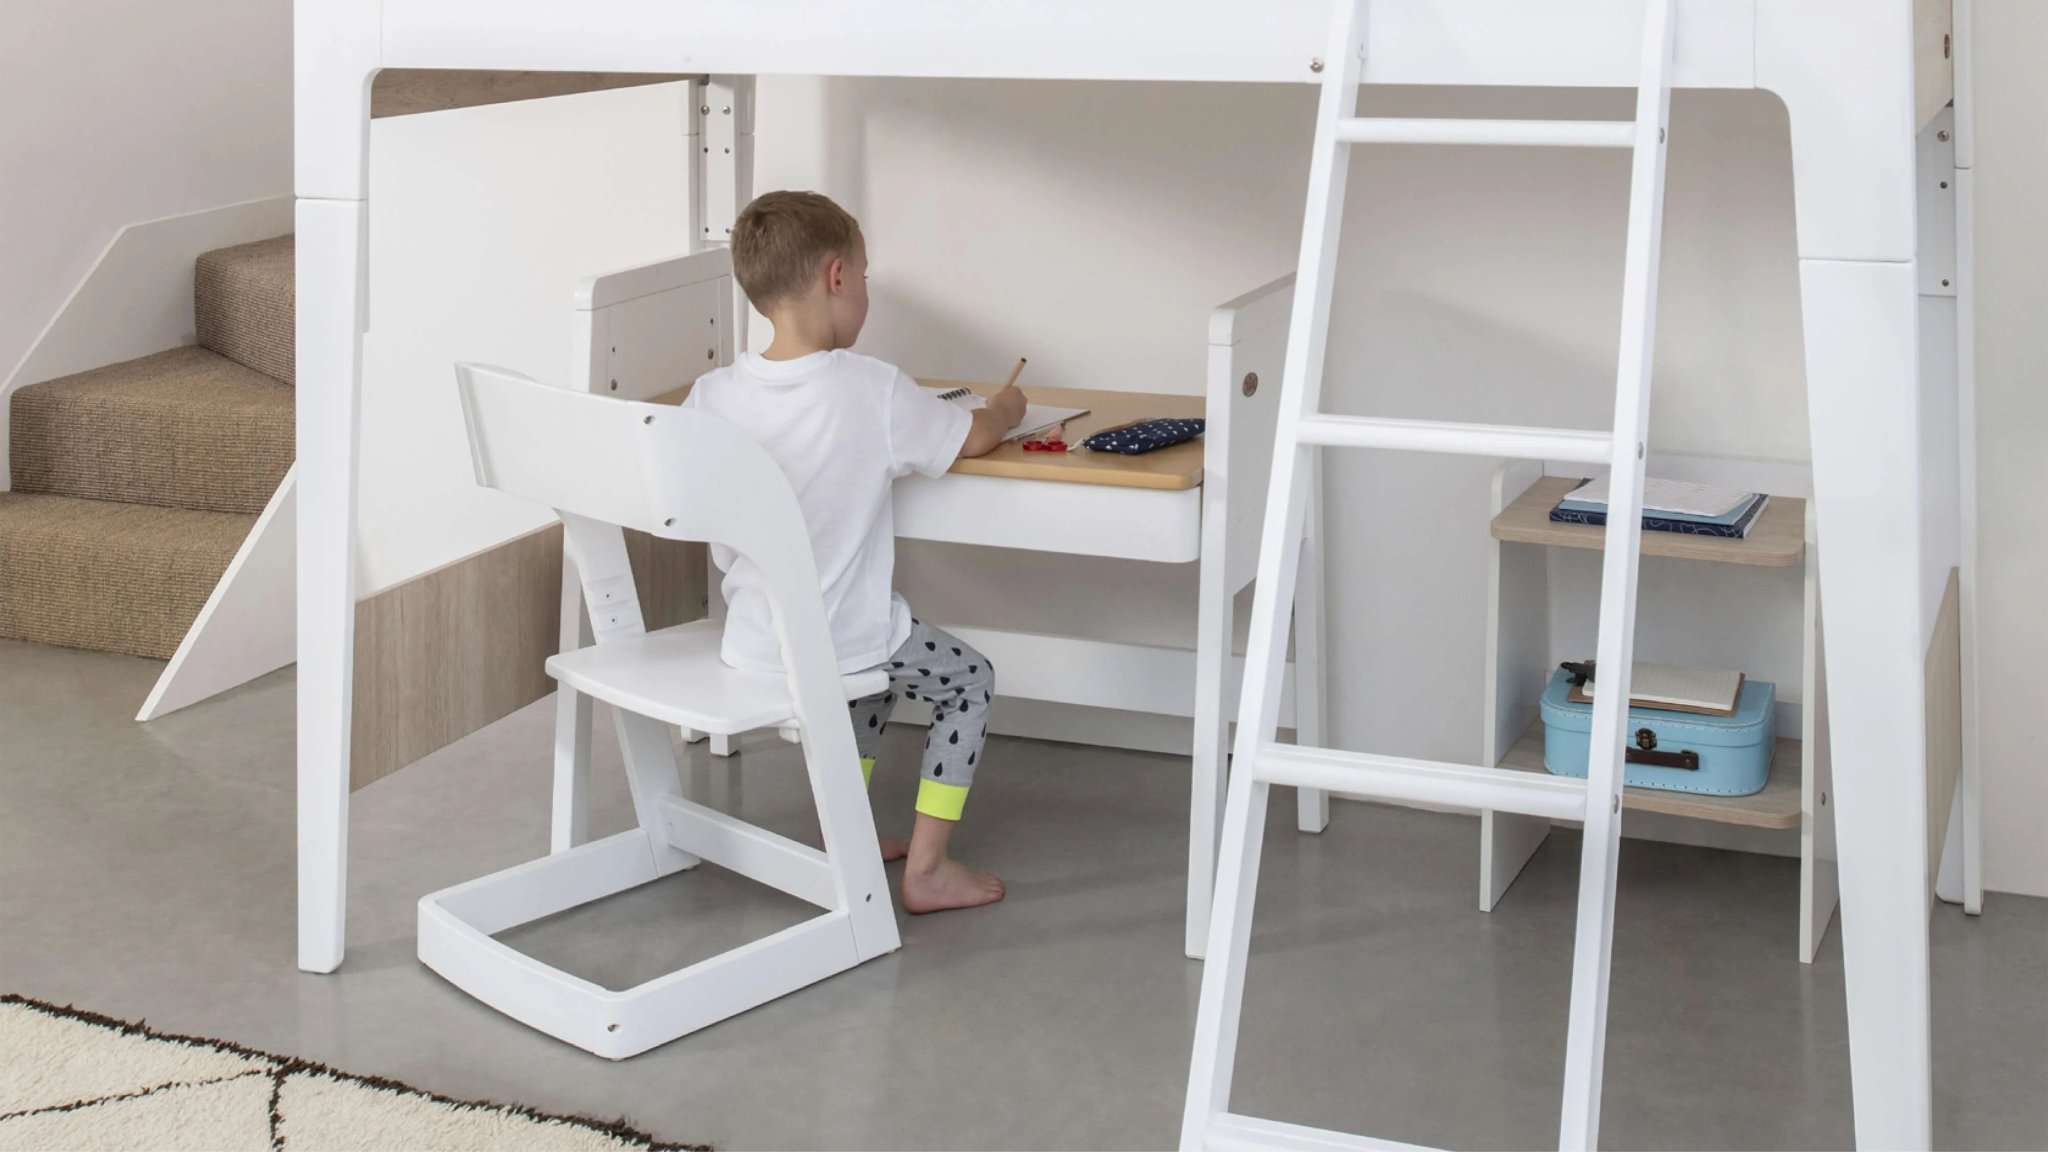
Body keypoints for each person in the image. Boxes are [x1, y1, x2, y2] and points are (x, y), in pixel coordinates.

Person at [685, 190, 1023, 912]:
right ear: (837, 276)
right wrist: (1006, 407)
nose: (865, 292)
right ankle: (928, 869)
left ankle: (851, 832)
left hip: (752, 639)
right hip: (839, 640)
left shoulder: (710, 396)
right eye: (865, 277)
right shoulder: (870, 390)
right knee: (967, 681)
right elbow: (975, 437)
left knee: (875, 668)